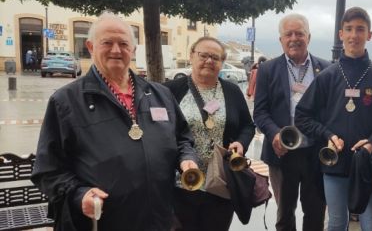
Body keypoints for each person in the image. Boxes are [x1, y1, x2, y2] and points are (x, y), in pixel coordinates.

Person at [31, 12, 199, 231]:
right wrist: (79, 194)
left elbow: (183, 139)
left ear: (133, 50)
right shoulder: (65, 101)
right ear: (91, 47)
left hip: (159, 219)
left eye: (123, 43)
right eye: (107, 43)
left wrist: (187, 158)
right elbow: (48, 171)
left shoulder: (160, 94)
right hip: (102, 223)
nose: (116, 50)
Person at [295, 7, 372, 231]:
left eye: (360, 29)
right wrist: (328, 135)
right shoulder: (326, 77)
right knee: (336, 222)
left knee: (371, 223)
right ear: (340, 34)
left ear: (369, 35)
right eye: (349, 29)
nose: (354, 35)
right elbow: (302, 116)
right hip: (334, 163)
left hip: (368, 164)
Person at [165, 36, 255, 231]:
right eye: (203, 55)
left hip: (220, 182)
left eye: (215, 57)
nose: (209, 61)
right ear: (191, 56)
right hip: (180, 183)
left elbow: (248, 126)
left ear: (222, 63)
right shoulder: (170, 90)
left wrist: (241, 143)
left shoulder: (231, 91)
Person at [253, 13, 331, 231]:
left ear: (309, 37)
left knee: (315, 211)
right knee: (284, 214)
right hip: (282, 154)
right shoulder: (268, 70)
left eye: (300, 33)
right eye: (289, 34)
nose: (294, 38)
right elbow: (259, 112)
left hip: (315, 152)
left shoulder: (325, 68)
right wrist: (274, 133)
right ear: (281, 39)